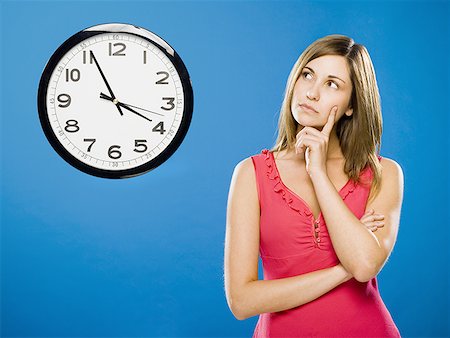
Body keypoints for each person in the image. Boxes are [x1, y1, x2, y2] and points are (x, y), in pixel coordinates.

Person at [224, 34, 404, 337]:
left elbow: (363, 266)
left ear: (351, 105)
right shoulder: (249, 174)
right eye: (308, 75)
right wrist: (339, 272)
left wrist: (318, 173)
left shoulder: (384, 173)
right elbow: (242, 301)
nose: (311, 93)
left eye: (332, 84)